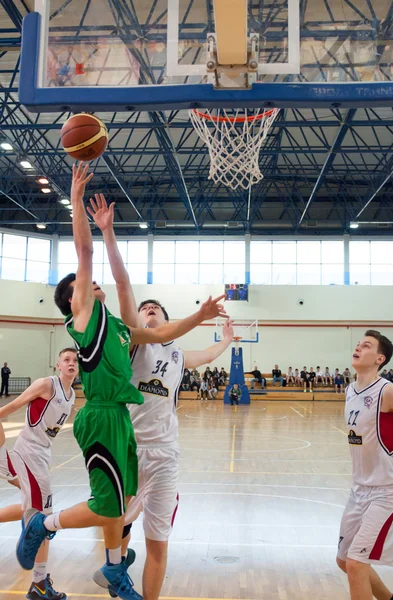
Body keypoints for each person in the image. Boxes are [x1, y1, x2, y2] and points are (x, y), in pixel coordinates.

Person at [16, 165, 227, 600]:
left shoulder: (120, 329)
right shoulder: (86, 317)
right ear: (75, 300)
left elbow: (169, 335)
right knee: (107, 508)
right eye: (83, 285)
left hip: (132, 434)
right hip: (105, 418)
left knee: (117, 514)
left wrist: (203, 319)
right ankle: (43, 524)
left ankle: (114, 570)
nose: (92, 283)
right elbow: (89, 256)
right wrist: (81, 207)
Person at [103, 296, 232, 600]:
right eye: (144, 308)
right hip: (129, 450)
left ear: (166, 319)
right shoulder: (132, 344)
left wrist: (226, 340)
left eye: (156, 309)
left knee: (158, 542)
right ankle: (115, 568)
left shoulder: (177, 355)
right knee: (118, 519)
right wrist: (200, 314)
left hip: (165, 454)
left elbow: (209, 355)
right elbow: (129, 306)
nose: (149, 310)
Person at [0, 348, 78, 600]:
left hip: (42, 455)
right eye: (66, 360)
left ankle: (39, 584)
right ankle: (38, 584)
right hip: (29, 453)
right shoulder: (45, 385)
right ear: (57, 365)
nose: (71, 363)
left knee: (30, 511)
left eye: (75, 361)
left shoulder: (72, 394)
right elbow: (11, 406)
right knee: (41, 518)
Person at [335, 330, 393, 600]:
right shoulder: (350, 389)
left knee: (357, 564)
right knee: (344, 561)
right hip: (358, 489)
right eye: (359, 343)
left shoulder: (388, 391)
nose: (358, 347)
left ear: (379, 358)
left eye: (367, 345)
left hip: (386, 492)